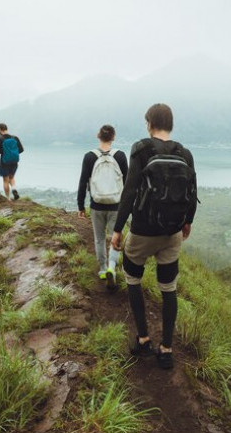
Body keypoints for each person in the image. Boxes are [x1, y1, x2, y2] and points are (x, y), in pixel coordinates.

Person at [111, 103, 197, 369]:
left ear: (149, 123)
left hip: (143, 231)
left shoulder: (141, 149)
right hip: (172, 232)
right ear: (170, 124)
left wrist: (117, 229)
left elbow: (129, 192)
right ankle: (167, 349)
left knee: (133, 278)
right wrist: (187, 222)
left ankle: (144, 339)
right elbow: (192, 191)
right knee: (168, 288)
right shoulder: (185, 153)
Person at [77, 124, 128, 289]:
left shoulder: (89, 157)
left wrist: (80, 206)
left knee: (99, 239)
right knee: (116, 238)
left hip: (96, 205)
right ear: (113, 137)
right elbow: (127, 184)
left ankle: (102, 269)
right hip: (116, 205)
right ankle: (112, 269)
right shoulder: (120, 156)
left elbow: (83, 182)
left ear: (99, 137)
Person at [0, 123, 24, 201]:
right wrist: (13, 153)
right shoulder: (15, 138)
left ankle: (8, 198)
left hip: (4, 162)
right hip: (14, 161)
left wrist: (3, 152)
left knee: (5, 180)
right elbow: (21, 150)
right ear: (6, 128)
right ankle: (14, 189)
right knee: (12, 177)